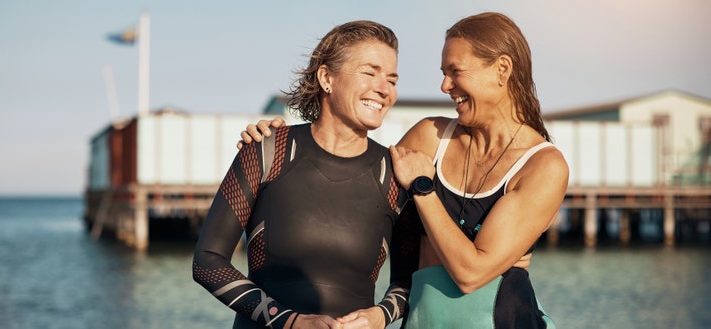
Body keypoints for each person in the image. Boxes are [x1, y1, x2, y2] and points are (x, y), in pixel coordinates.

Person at [241, 12, 566, 328]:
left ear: (502, 69)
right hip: (423, 319)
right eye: (443, 72)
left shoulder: (543, 166)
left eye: (455, 71)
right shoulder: (430, 136)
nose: (444, 85)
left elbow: (471, 273)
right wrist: (275, 149)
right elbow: (352, 181)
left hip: (503, 319)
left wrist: (424, 189)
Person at [192, 20, 420, 329]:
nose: (384, 89)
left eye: (392, 79)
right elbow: (207, 261)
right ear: (327, 78)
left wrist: (380, 315)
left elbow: (410, 280)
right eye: (370, 72)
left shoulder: (393, 176)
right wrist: (288, 321)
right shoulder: (266, 152)